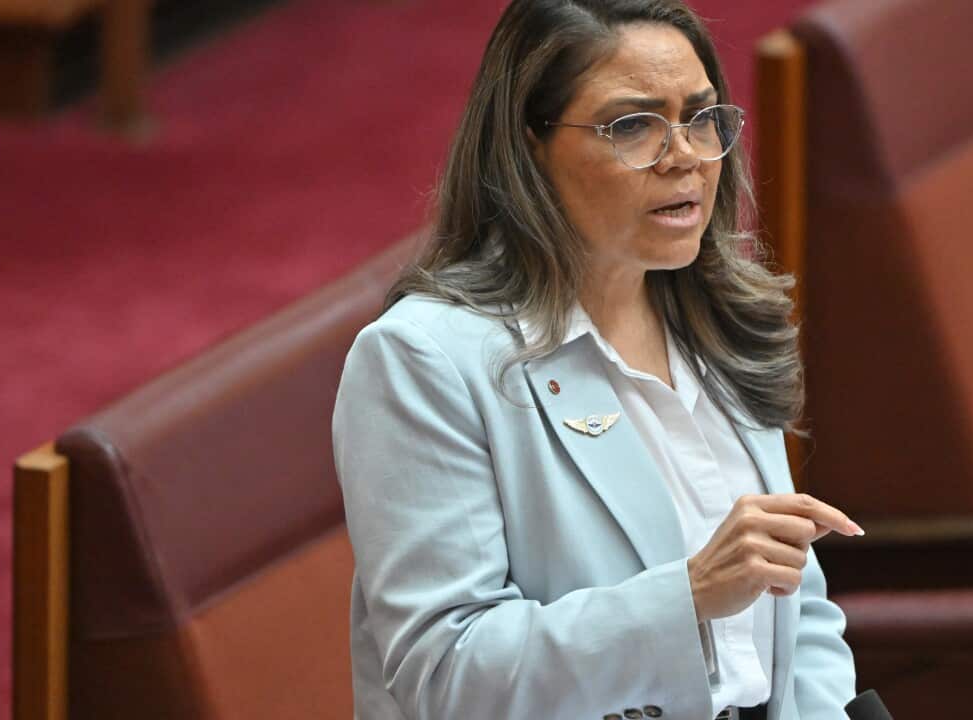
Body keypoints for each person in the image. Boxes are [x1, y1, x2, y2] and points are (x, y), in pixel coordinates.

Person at [332, 1, 862, 718]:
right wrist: (690, 597)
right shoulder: (425, 361)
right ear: (529, 146)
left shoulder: (715, 319)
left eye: (702, 117)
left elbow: (800, 606)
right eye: (633, 125)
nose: (685, 156)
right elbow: (448, 673)